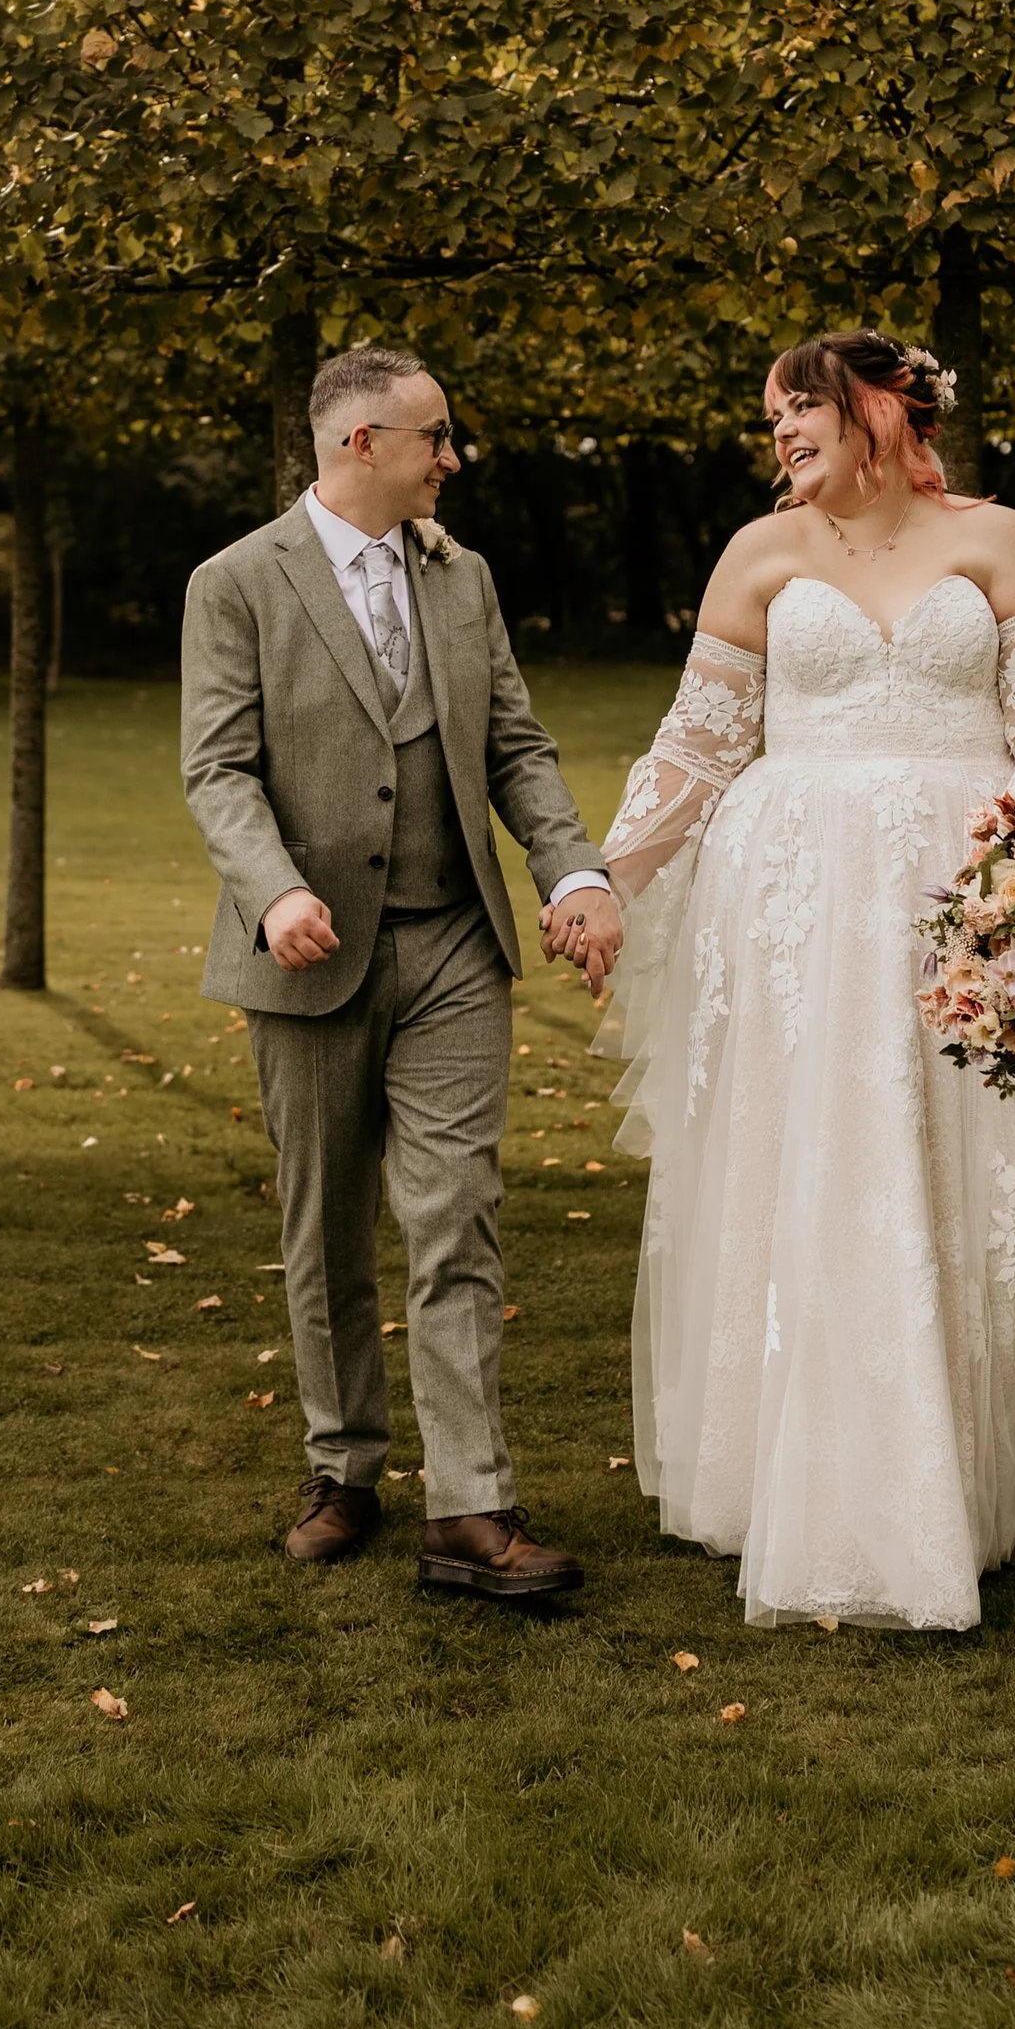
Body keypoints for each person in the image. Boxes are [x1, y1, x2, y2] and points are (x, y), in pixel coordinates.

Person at [594, 330, 1015, 1632]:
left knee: (966, 1159)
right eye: (771, 416)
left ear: (876, 409)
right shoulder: (758, 554)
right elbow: (697, 747)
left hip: (961, 885)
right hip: (797, 908)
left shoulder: (997, 539)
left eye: (797, 407)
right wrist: (604, 879)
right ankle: (803, 1463)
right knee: (816, 1153)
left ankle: (985, 1462)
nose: (778, 432)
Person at [181, 344, 623, 1604]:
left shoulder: (461, 576)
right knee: (326, 1227)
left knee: (455, 1216)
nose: (453, 458)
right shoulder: (235, 582)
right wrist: (274, 891)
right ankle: (344, 1468)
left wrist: (572, 874)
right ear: (361, 444)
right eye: (435, 437)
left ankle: (469, 1507)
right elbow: (217, 768)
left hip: (453, 948)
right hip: (308, 953)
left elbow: (517, 746)